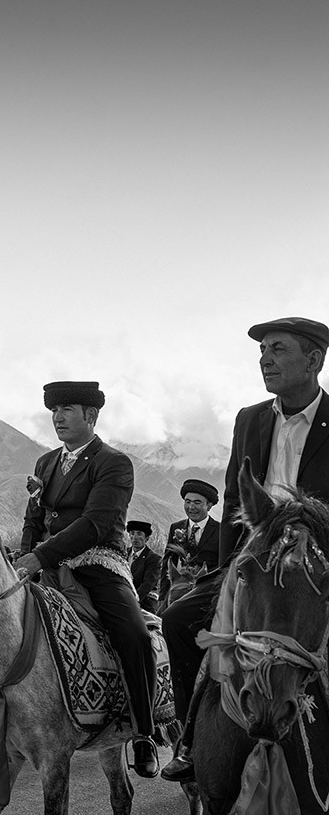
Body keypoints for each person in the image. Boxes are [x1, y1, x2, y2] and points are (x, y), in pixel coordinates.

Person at [161, 316, 329, 782]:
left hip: (315, 564)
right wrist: (226, 573)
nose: (265, 359)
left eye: (278, 349)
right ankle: (190, 739)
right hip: (253, 559)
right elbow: (236, 497)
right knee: (178, 620)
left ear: (313, 360)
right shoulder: (249, 418)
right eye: (261, 351)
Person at [16, 381, 159, 778]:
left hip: (98, 563)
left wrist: (39, 555)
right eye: (54, 411)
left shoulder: (113, 462)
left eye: (67, 410)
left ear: (91, 416)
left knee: (134, 634)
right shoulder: (45, 463)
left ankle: (144, 732)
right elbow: (33, 519)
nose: (57, 417)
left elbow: (95, 523)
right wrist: (25, 559)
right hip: (44, 567)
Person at [157, 480, 220, 609]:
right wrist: (162, 596)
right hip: (179, 592)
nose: (191, 507)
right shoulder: (176, 527)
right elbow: (168, 562)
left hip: (209, 594)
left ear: (209, 506)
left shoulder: (221, 531)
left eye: (197, 503)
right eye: (188, 502)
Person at [127, 520, 162, 613]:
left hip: (144, 602)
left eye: (139, 534)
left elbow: (147, 585)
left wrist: (131, 601)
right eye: (132, 533)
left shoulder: (154, 559)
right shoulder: (123, 553)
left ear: (147, 538)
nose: (135, 537)